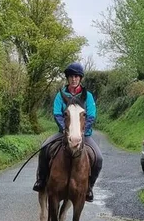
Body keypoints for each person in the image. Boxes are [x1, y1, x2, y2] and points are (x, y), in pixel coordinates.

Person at [33, 62, 103, 201]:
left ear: (80, 78)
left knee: (99, 158)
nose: (74, 79)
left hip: (84, 135)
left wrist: (81, 132)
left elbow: (91, 116)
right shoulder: (61, 95)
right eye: (71, 76)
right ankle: (41, 180)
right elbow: (57, 114)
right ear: (68, 78)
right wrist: (65, 130)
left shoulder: (87, 96)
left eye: (77, 76)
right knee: (44, 148)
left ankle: (89, 188)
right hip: (63, 133)